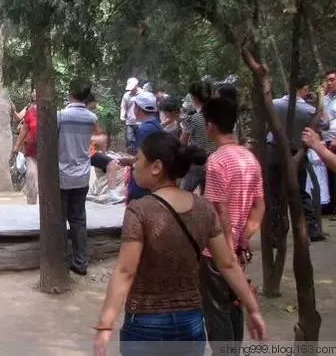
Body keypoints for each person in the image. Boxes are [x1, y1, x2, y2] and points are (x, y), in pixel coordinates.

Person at [93, 132, 266, 356]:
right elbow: (228, 264)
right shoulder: (204, 209)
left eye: (139, 159)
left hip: (146, 322)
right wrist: (253, 309)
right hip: (190, 322)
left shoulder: (139, 210)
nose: (134, 165)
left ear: (156, 167)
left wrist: (105, 326)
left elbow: (126, 271)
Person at [201, 97, 265, 348]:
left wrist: (227, 248)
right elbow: (259, 205)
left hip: (216, 253)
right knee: (235, 303)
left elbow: (219, 210)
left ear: (211, 126)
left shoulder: (216, 162)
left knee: (217, 312)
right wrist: (244, 240)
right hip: (237, 250)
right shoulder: (250, 159)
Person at [267, 78, 321, 240]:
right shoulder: (309, 110)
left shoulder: (274, 104)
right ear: (305, 89)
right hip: (296, 153)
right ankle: (312, 229)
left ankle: (276, 233)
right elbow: (323, 125)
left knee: (274, 193)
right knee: (299, 191)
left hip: (274, 150)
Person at [57, 80, 98, 275]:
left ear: (70, 93)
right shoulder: (91, 118)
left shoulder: (60, 116)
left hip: (62, 174)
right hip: (82, 175)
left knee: (60, 218)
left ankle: (60, 261)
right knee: (79, 219)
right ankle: (81, 262)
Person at [180, 81, 216, 193]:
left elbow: (183, 142)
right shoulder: (216, 117)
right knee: (208, 196)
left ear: (194, 97)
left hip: (197, 161)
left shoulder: (193, 119)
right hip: (214, 161)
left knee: (184, 193)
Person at [126, 91, 161, 202]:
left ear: (138, 108)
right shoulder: (155, 125)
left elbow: (142, 159)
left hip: (142, 182)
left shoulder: (145, 129)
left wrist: (126, 160)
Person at [322, 69, 336, 219]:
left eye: (331, 80)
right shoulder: (326, 98)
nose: (329, 83)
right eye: (327, 80)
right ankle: (331, 204)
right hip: (327, 140)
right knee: (328, 173)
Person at [12, 99, 38, 205]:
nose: (35, 93)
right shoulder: (29, 109)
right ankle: (31, 202)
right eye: (34, 91)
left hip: (46, 150)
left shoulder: (52, 110)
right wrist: (17, 145)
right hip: (30, 147)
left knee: (39, 177)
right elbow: (23, 127)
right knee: (31, 173)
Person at [120, 78, 140, 154]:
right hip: (130, 121)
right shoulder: (126, 95)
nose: (131, 90)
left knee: (139, 139)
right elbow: (123, 106)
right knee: (129, 139)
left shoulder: (143, 94)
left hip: (140, 122)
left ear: (136, 85)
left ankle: (138, 155)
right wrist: (122, 116)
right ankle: (130, 155)